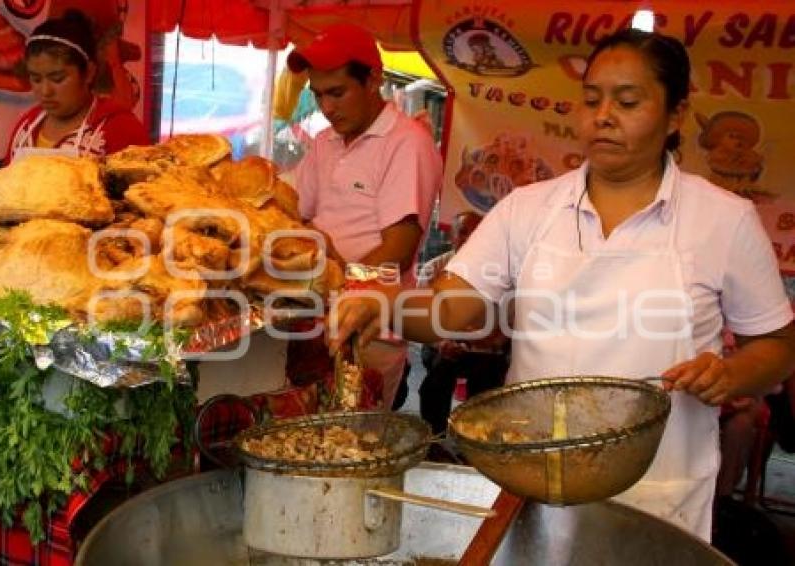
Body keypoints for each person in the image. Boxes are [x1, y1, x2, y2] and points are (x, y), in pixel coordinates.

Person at [329, 28, 795, 541]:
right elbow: (454, 309)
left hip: (658, 493)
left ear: (676, 114)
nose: (603, 116)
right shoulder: (527, 209)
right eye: (592, 99)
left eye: (628, 101)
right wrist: (385, 305)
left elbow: (775, 347)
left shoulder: (724, 220)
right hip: (534, 480)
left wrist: (729, 375)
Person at [288, 23, 443, 408]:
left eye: (337, 93)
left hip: (371, 332)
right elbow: (293, 211)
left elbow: (398, 251)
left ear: (373, 79)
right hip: (315, 322)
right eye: (318, 95)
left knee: (349, 450)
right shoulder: (326, 142)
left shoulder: (407, 143)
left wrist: (336, 285)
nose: (326, 109)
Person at [6, 9, 149, 163]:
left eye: (58, 79)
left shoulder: (122, 128)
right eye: (36, 79)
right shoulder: (27, 126)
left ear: (88, 72)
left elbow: (144, 185)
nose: (46, 91)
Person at [417, 211, 509, 435]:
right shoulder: (433, 270)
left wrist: (489, 343)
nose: (469, 238)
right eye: (464, 232)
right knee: (434, 384)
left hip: (484, 348)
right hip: (443, 344)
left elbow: (508, 325)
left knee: (486, 383)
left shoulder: (503, 273)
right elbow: (422, 321)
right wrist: (442, 344)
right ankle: (435, 439)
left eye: (476, 233)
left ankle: (477, 441)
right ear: (452, 236)